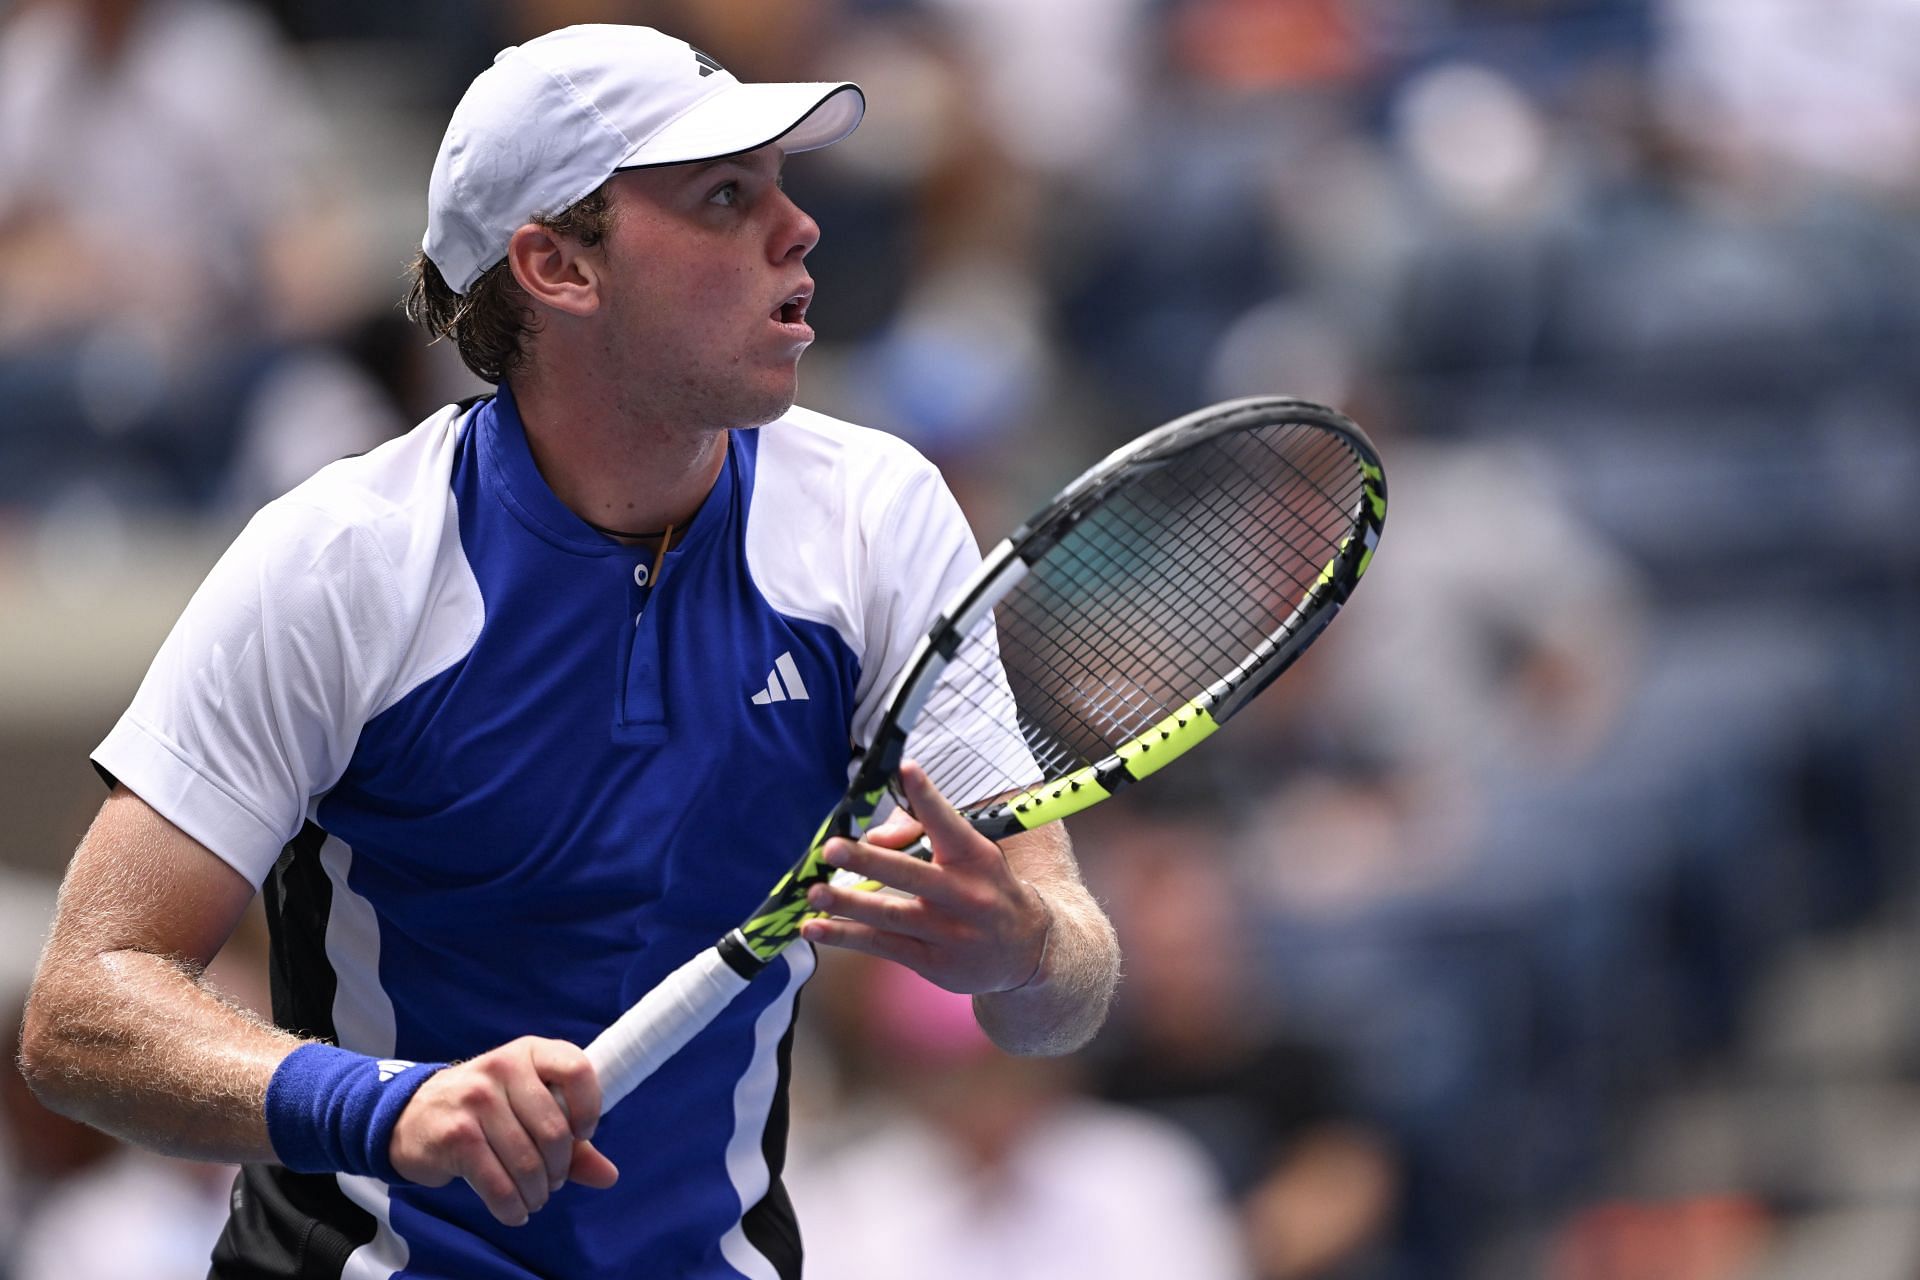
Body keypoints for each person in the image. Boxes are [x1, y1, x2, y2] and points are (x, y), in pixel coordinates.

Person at [19, 24, 1120, 1280]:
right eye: (724, 196)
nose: (799, 227)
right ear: (557, 265)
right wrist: (384, 1104)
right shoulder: (341, 561)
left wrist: (1023, 950)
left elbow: (1066, 975)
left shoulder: (878, 519)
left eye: (781, 183)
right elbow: (83, 1010)